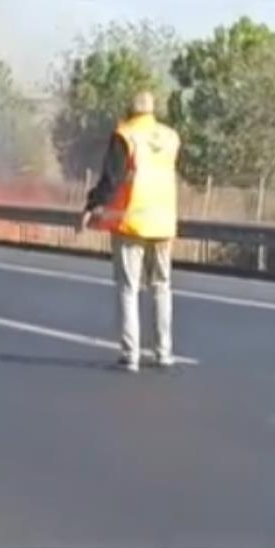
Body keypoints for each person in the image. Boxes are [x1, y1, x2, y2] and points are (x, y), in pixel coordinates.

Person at [81, 90, 181, 372]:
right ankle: (164, 353)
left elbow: (111, 178)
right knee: (162, 286)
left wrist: (93, 205)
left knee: (129, 288)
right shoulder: (171, 137)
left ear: (130, 109)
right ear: (153, 110)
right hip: (163, 222)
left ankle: (131, 355)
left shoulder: (125, 135)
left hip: (133, 220)